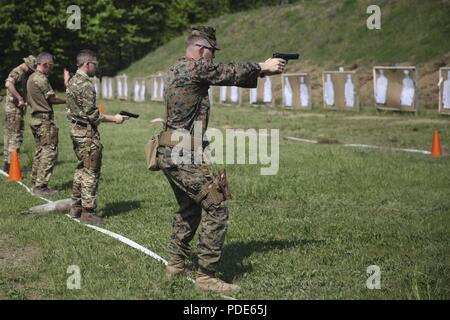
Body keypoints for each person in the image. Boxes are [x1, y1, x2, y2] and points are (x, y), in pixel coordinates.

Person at [157, 26, 285, 294]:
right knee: (216, 206)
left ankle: (176, 265)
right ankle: (205, 278)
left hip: (174, 150)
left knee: (190, 209)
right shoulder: (195, 68)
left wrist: (260, 70)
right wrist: (263, 66)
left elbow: (220, 73)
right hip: (182, 153)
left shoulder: (175, 68)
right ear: (202, 49)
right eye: (212, 52)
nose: (213, 58)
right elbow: (226, 72)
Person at [66, 49, 128, 225]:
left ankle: (76, 208)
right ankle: (88, 212)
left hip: (76, 129)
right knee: (91, 170)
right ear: (87, 64)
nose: (96, 67)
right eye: (95, 63)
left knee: (81, 168)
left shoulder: (72, 80)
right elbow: (93, 115)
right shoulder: (85, 84)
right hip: (86, 132)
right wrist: (114, 119)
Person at [27, 52, 68, 196]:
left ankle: (35, 181)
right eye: (51, 66)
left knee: (40, 151)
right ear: (44, 64)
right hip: (44, 121)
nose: (52, 69)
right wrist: (69, 100)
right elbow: (52, 99)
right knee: (49, 152)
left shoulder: (31, 77)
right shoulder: (41, 79)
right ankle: (41, 186)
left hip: (36, 119)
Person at [3, 55, 37, 173]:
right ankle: (12, 167)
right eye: (32, 70)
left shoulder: (22, 73)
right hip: (14, 110)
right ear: (28, 66)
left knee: (9, 136)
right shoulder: (17, 72)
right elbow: (8, 84)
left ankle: (7, 166)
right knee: (15, 137)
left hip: (13, 110)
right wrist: (20, 99)